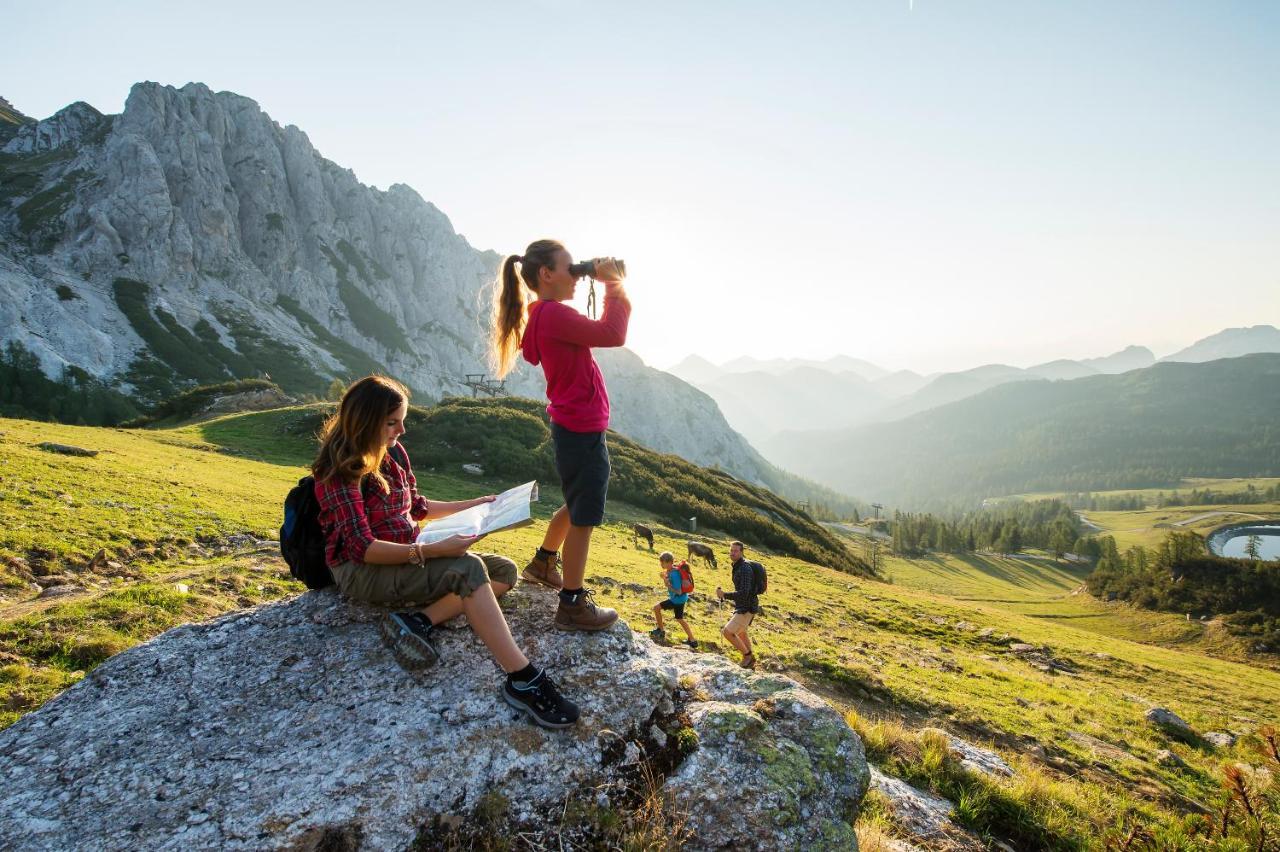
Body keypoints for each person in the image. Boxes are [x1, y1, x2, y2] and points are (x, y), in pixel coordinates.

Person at [312, 375, 578, 729]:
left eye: (402, 420)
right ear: (365, 421)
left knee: (504, 571)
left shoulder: (392, 453)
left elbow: (417, 507)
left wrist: (479, 505)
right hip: (362, 570)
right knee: (467, 570)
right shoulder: (340, 470)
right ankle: (523, 679)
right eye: (392, 422)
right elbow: (362, 548)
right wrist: (430, 551)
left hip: (406, 552)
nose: (402, 430)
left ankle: (417, 620)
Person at [491, 239, 631, 633]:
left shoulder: (543, 314)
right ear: (546, 275)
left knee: (577, 499)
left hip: (574, 425)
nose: (577, 274)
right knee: (584, 514)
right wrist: (613, 285)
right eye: (572, 268)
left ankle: (543, 561)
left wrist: (596, 276)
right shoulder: (551, 314)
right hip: (580, 426)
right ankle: (572, 603)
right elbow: (613, 333)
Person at [716, 541, 760, 669]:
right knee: (741, 632)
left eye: (735, 551)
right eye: (731, 550)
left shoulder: (745, 568)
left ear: (741, 552)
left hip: (747, 607)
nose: (732, 553)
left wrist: (725, 594)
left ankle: (747, 656)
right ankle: (750, 659)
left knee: (727, 632)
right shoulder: (737, 566)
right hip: (743, 606)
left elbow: (745, 592)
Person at [650, 552, 697, 648]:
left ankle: (660, 631)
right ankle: (692, 641)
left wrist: (667, 584)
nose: (661, 565)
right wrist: (665, 579)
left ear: (669, 562)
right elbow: (668, 584)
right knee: (680, 619)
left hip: (677, 599)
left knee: (656, 608)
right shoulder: (671, 571)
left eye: (662, 563)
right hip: (682, 599)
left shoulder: (674, 574)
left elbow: (678, 591)